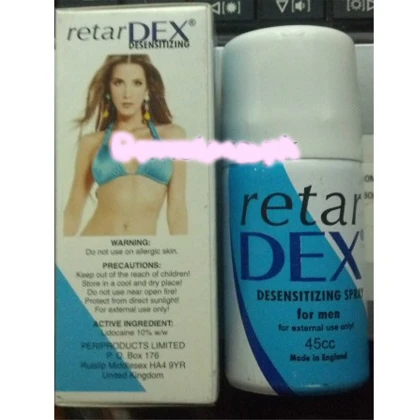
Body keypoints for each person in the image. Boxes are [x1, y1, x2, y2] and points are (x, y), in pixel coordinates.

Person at [63, 54, 188, 236]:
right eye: (118, 83)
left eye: (137, 83)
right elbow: (73, 211)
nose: (127, 94)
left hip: (146, 250)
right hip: (96, 245)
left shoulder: (172, 136)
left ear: (147, 89)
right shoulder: (91, 143)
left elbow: (177, 210)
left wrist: (183, 250)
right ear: (108, 88)